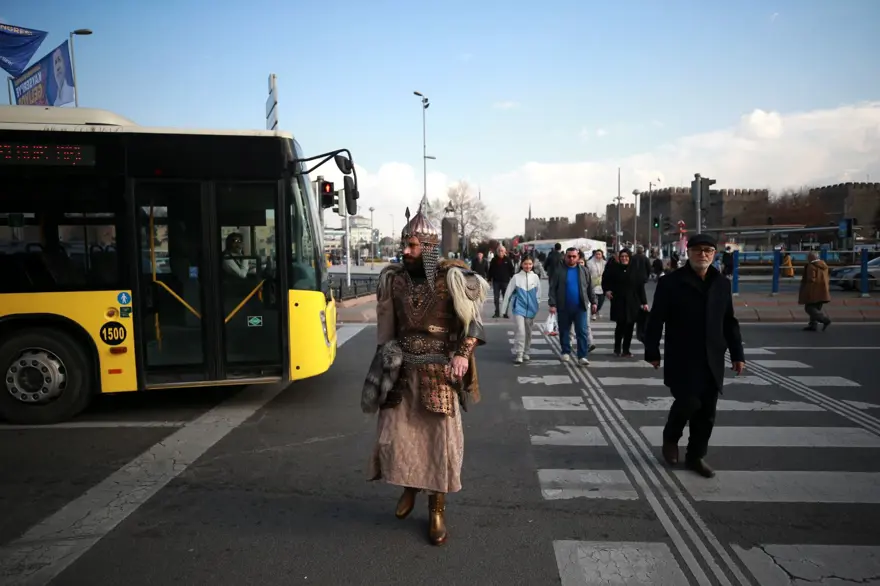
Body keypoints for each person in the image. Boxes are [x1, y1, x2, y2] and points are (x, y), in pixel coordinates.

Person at [361, 199, 489, 546]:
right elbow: (387, 328)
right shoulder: (395, 280)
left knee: (437, 445)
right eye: (404, 243)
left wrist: (462, 354)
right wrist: (382, 360)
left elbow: (473, 324)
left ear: (430, 247)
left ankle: (436, 509)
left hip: (438, 373)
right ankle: (409, 487)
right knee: (397, 438)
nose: (404, 250)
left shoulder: (453, 280)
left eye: (412, 244)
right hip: (401, 371)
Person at [643, 234, 745, 478]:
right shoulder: (671, 283)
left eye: (708, 251)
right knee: (689, 402)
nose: (703, 255)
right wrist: (652, 351)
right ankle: (671, 437)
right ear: (688, 252)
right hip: (682, 355)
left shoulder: (721, 283)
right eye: (698, 250)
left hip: (712, 356)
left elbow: (729, 321)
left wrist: (737, 353)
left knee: (707, 411)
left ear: (714, 254)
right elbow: (656, 318)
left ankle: (696, 456)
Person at [548, 247, 598, 365]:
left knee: (582, 331)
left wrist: (594, 301)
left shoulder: (584, 271)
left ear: (578, 257)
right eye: (569, 256)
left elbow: (589, 288)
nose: (571, 259)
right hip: (563, 306)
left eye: (574, 256)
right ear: (565, 256)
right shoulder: (559, 271)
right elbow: (552, 289)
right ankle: (565, 351)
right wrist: (553, 304)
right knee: (564, 331)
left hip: (580, 307)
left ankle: (582, 356)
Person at [601, 248, 648, 357]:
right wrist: (607, 290)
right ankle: (617, 349)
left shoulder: (635, 270)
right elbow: (605, 281)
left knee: (630, 326)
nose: (624, 258)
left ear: (630, 258)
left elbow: (640, 287)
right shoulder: (614, 269)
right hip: (619, 300)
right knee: (620, 325)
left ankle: (626, 350)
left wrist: (644, 302)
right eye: (622, 256)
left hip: (633, 301)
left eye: (626, 257)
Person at [502, 255, 541, 364]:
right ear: (521, 264)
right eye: (525, 264)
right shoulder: (516, 277)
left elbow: (539, 293)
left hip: (531, 309)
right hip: (519, 308)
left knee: (528, 332)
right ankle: (519, 353)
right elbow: (508, 293)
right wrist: (503, 309)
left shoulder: (535, 277)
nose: (528, 266)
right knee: (521, 330)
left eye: (530, 264)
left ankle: (526, 352)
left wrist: (537, 305)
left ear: (532, 265)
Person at [798, 252, 832, 331]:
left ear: (811, 258)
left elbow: (811, 279)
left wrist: (805, 290)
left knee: (809, 308)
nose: (807, 259)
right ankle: (813, 325)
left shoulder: (811, 266)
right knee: (816, 307)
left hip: (813, 291)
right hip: (823, 291)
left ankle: (824, 320)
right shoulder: (823, 265)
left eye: (808, 257)